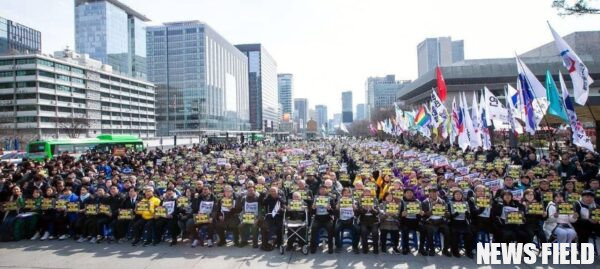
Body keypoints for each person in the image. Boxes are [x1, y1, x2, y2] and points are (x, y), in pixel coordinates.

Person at [421, 187, 451, 257]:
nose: (434, 194)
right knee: (430, 231)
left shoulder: (442, 201)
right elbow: (424, 214)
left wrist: (447, 213)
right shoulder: (425, 202)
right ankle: (432, 249)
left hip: (441, 221)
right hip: (430, 221)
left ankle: (445, 249)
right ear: (429, 193)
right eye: (432, 192)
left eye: (435, 192)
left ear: (438, 193)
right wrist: (432, 210)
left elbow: (446, 212)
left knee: (447, 231)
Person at [447, 189, 474, 258]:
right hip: (454, 222)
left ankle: (469, 251)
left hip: (463, 221)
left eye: (459, 194)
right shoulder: (450, 203)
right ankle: (455, 251)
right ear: (453, 196)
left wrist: (466, 212)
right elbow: (450, 216)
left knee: (469, 234)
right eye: (456, 195)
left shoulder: (465, 203)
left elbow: (468, 215)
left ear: (462, 195)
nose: (458, 196)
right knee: (455, 234)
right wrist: (458, 211)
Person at [309, 185, 335, 254]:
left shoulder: (330, 198)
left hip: (327, 218)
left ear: (327, 190)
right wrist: (313, 208)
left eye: (324, 189)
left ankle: (330, 247)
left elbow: (334, 212)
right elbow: (311, 212)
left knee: (330, 228)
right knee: (314, 228)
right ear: (319, 190)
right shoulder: (315, 198)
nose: (322, 191)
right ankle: (313, 247)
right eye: (321, 189)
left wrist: (329, 209)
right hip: (318, 218)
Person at [334, 187, 359, 254]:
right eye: (344, 193)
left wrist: (353, 205)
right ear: (342, 193)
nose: (346, 194)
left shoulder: (352, 199)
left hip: (350, 219)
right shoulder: (340, 199)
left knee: (357, 229)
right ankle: (338, 246)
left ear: (350, 193)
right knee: (336, 229)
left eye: (347, 192)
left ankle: (355, 246)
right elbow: (336, 209)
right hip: (341, 219)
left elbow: (356, 210)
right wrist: (339, 202)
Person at [260, 186, 285, 251]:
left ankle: (278, 242)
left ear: (277, 191)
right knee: (264, 226)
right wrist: (262, 195)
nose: (273, 192)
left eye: (274, 191)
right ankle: (265, 243)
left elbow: (284, 207)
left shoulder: (280, 198)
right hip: (269, 216)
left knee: (279, 226)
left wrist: (281, 209)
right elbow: (262, 203)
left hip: (278, 216)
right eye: (271, 191)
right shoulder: (268, 198)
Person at [399, 188, 423, 255]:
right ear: (404, 194)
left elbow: (420, 213)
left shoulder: (417, 201)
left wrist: (421, 213)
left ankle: (421, 248)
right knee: (405, 230)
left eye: (411, 193)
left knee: (423, 229)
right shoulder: (401, 201)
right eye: (407, 192)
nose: (409, 194)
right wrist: (401, 214)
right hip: (405, 221)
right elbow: (398, 213)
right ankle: (405, 247)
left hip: (415, 221)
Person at [357, 187, 379, 254]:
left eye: (368, 191)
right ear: (363, 193)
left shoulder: (374, 199)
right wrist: (364, 209)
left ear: (370, 192)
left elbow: (377, 212)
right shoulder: (360, 199)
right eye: (365, 191)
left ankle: (375, 248)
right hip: (364, 220)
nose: (367, 193)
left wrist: (372, 209)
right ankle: (365, 248)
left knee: (375, 232)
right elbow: (358, 212)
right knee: (363, 231)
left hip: (373, 220)